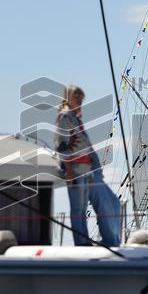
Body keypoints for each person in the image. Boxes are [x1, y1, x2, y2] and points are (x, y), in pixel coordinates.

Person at [54, 85, 120, 246]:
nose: (80, 101)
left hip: (87, 170)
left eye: (81, 99)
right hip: (76, 170)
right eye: (77, 98)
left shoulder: (74, 118)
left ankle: (109, 240)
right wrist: (69, 170)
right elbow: (60, 146)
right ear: (69, 97)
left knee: (110, 203)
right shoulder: (65, 118)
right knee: (79, 209)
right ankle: (82, 242)